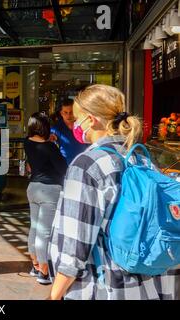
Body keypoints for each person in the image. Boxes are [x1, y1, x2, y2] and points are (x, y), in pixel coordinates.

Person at [48, 84, 179, 300]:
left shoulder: (86, 165)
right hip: (149, 285)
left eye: (77, 118)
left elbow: (74, 244)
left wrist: (55, 293)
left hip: (105, 286)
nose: (74, 124)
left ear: (91, 119)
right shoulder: (142, 159)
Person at [24, 112, 67, 285]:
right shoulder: (50, 148)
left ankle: (35, 264)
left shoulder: (27, 143)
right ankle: (44, 270)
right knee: (44, 232)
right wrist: (53, 143)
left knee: (34, 228)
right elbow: (63, 168)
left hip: (32, 188)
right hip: (49, 191)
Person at [50, 99, 87, 164]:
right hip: (66, 166)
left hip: (85, 163)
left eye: (71, 112)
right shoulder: (55, 129)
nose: (68, 115)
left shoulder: (84, 126)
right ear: (61, 113)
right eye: (65, 112)